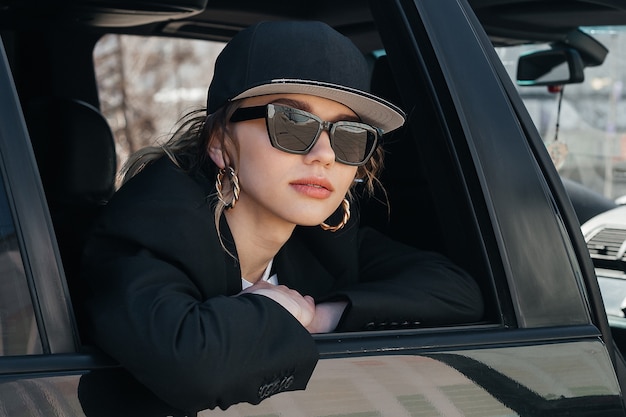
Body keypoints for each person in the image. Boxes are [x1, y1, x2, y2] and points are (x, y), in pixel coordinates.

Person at [80, 20, 484, 413]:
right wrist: (279, 312)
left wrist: (323, 316)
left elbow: (456, 291)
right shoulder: (150, 225)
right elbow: (192, 364)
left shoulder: (325, 238)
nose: (324, 155)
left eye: (349, 136)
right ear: (221, 143)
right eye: (291, 124)